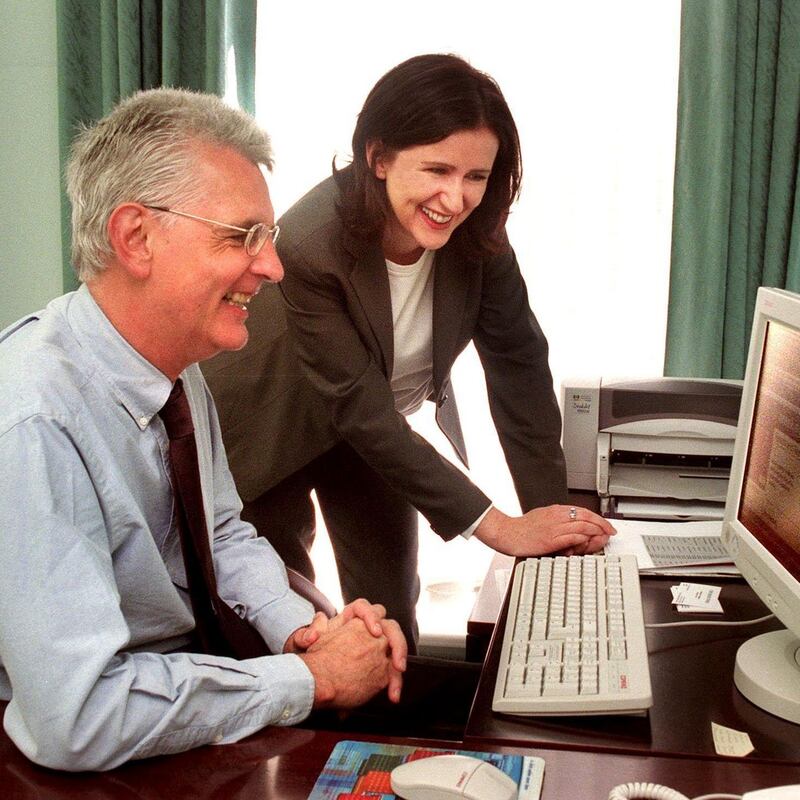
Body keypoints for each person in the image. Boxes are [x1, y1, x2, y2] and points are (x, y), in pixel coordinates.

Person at [0, 88, 407, 772]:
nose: (273, 266)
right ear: (136, 238)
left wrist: (306, 633)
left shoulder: (175, 367)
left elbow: (221, 533)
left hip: (170, 707)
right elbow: (79, 716)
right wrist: (311, 679)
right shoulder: (32, 419)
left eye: (269, 237)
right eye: (242, 236)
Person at [203, 54, 615, 649]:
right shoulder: (312, 243)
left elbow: (519, 370)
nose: (455, 198)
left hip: (372, 430)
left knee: (392, 609)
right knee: (292, 622)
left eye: (476, 176)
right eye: (438, 170)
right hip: (272, 429)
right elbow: (356, 405)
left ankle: (390, 738)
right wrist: (498, 526)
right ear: (378, 157)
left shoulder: (479, 241)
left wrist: (553, 525)